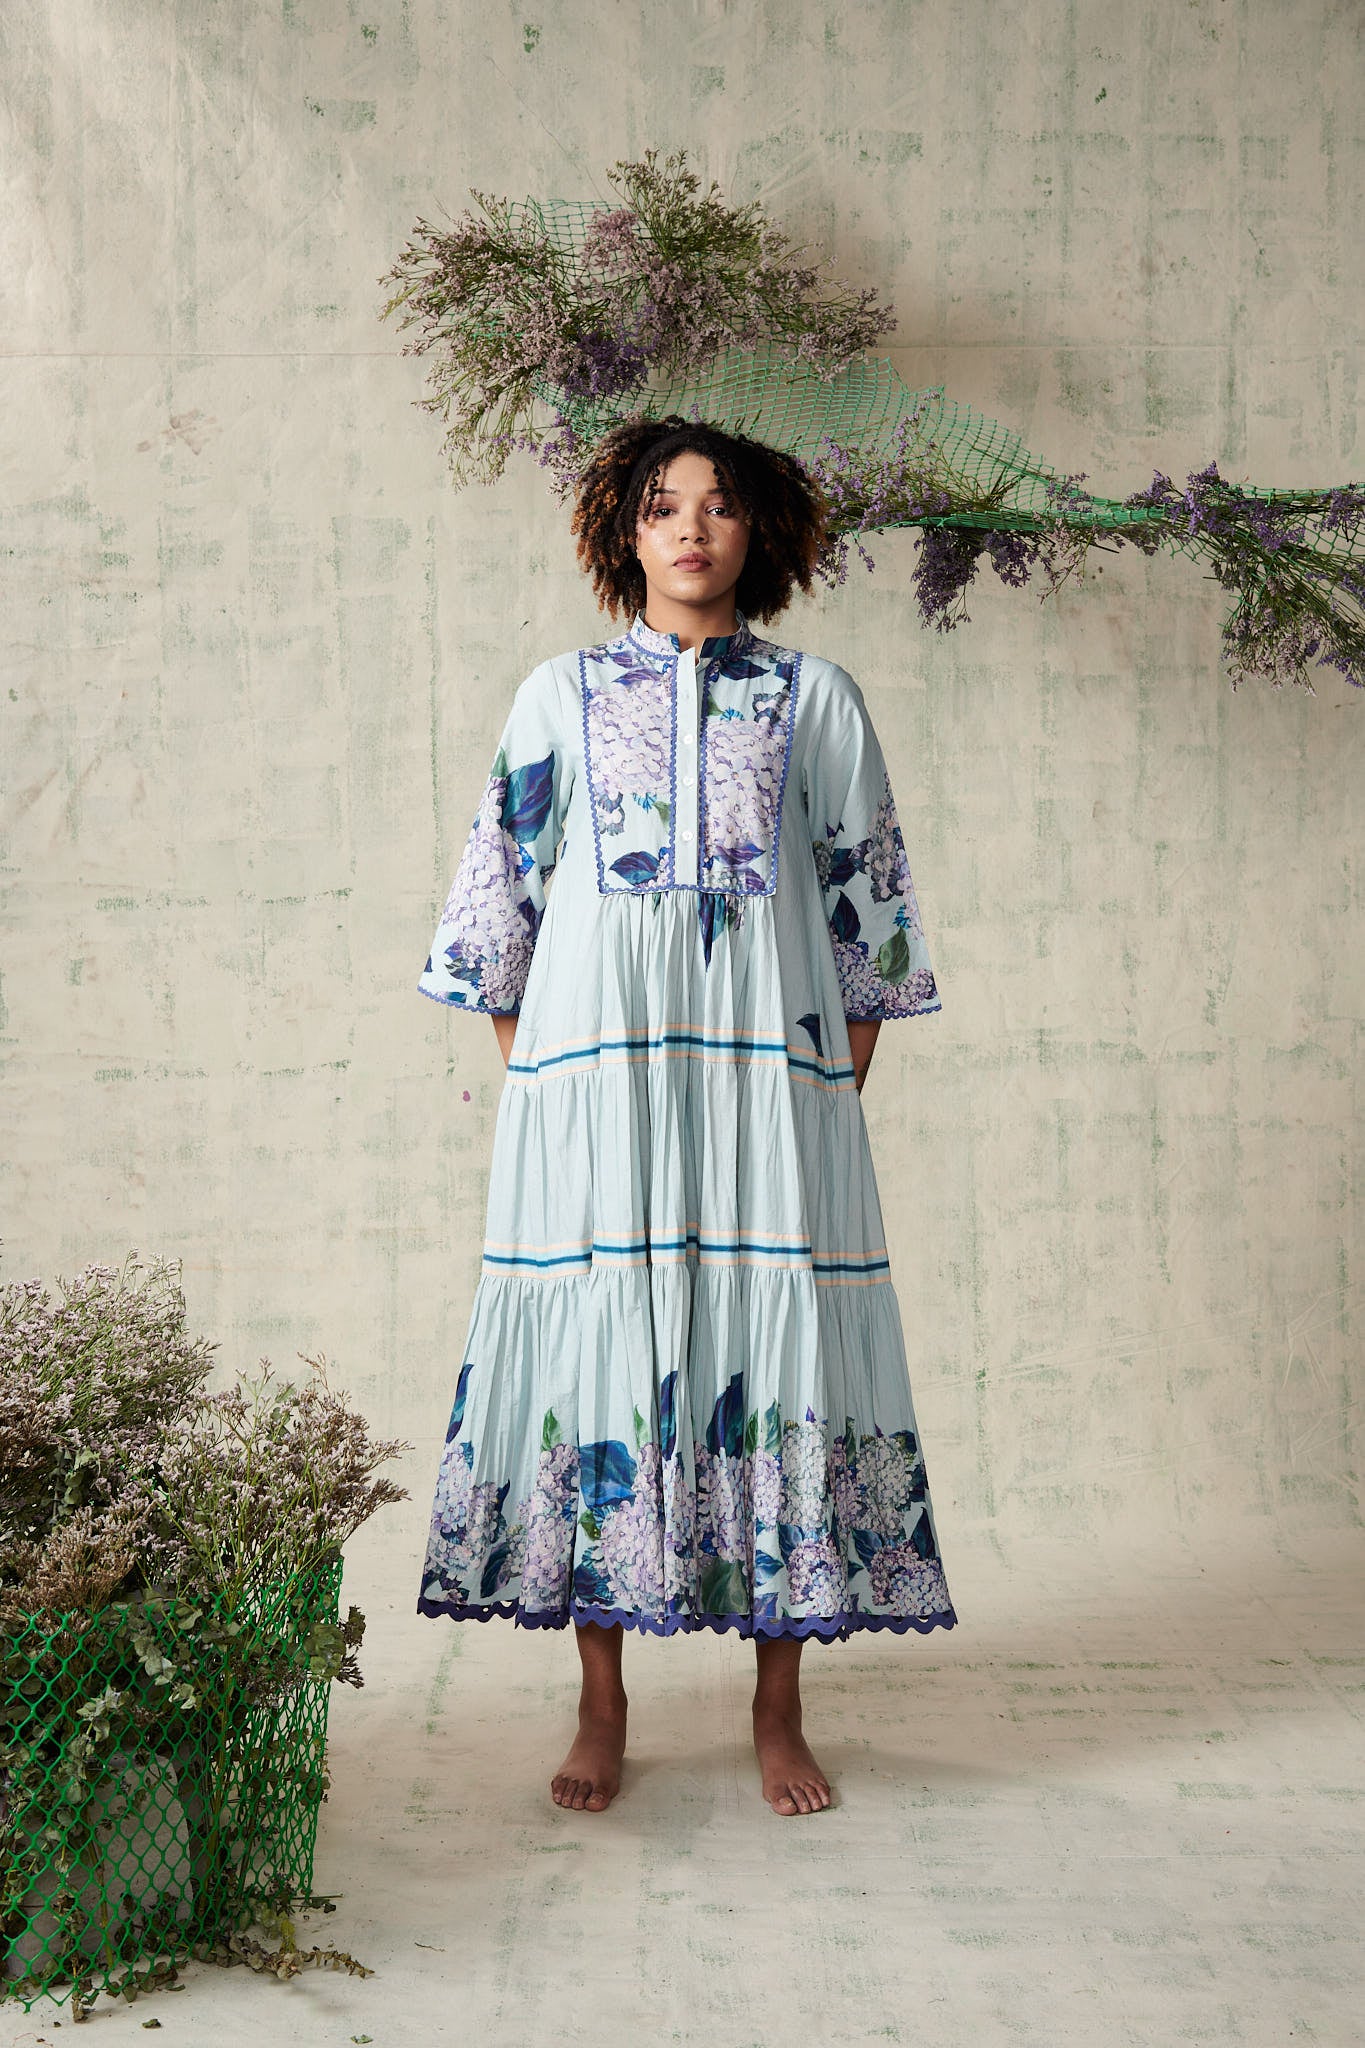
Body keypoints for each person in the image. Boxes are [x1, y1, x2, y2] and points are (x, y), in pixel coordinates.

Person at [416, 414, 957, 1818]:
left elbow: (868, 910)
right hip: (599, 1095)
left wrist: (825, 1089)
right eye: (663, 506)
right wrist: (545, 1083)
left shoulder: (816, 699)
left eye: (717, 505)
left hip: (771, 1097)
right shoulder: (559, 693)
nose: (692, 528)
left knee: (779, 1351)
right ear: (625, 533)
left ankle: (779, 1709)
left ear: (756, 529)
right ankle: (601, 1704)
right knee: (608, 1354)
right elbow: (500, 894)